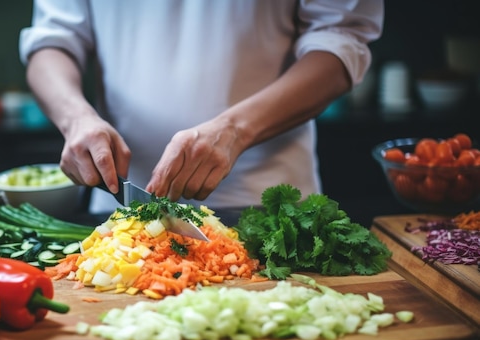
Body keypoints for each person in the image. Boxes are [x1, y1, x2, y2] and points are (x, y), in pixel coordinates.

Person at [19, 0, 384, 215]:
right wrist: (76, 118)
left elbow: (341, 40)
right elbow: (54, 41)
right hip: (122, 198)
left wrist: (236, 129)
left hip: (267, 204)